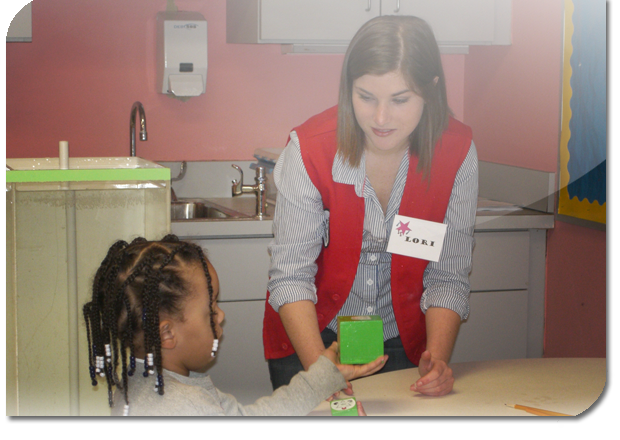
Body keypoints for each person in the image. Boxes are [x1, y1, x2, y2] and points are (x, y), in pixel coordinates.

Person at [264, 15, 478, 397]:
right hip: (314, 340)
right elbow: (291, 278)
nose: (380, 118)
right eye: (365, 97)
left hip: (402, 342)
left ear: (430, 90)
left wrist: (435, 361)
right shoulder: (311, 149)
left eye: (400, 99)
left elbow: (447, 277)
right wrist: (322, 374)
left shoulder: (456, 152)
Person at [83, 234, 386, 416]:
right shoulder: (181, 407)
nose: (221, 316)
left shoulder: (149, 384)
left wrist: (325, 373)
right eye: (210, 309)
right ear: (167, 333)